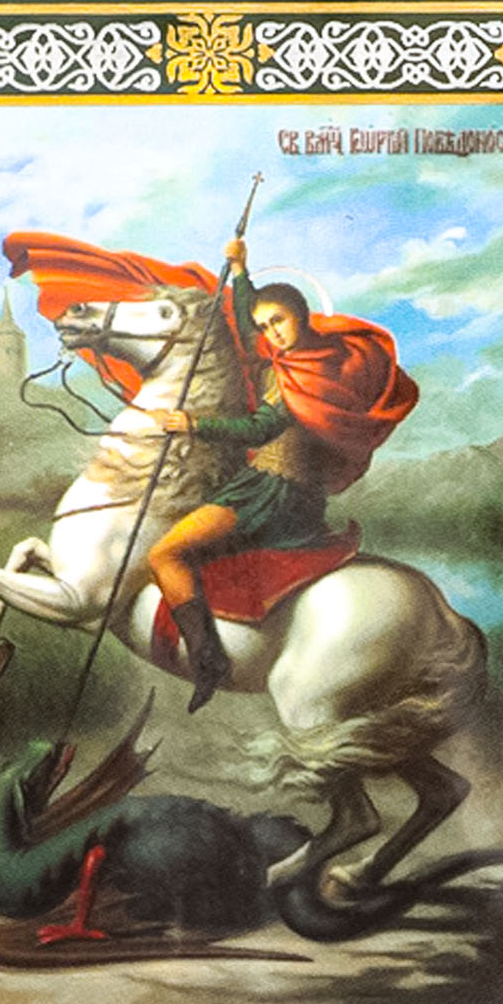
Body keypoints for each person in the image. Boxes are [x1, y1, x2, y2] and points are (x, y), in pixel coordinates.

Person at [148, 235, 418, 710]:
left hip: (272, 493)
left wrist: (193, 425)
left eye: (279, 321)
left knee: (165, 554)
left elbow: (261, 428)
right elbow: (248, 325)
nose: (271, 333)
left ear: (301, 315)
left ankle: (209, 661)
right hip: (277, 489)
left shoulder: (307, 375)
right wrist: (240, 271)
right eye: (265, 326)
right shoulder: (293, 360)